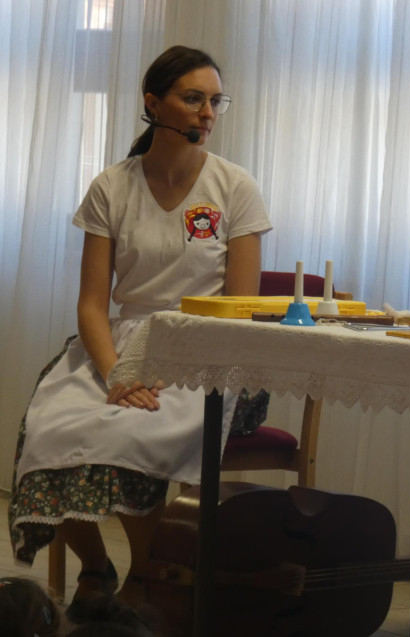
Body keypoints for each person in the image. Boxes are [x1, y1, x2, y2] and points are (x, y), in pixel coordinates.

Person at [7, 45, 272, 622]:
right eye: (193, 99)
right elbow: (91, 305)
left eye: (215, 101)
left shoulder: (235, 187)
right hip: (120, 346)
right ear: (153, 103)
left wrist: (166, 368)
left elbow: (239, 310)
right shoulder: (111, 187)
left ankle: (150, 576)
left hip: (210, 353)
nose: (208, 113)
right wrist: (119, 373)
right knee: (48, 432)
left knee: (133, 432)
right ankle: (96, 567)